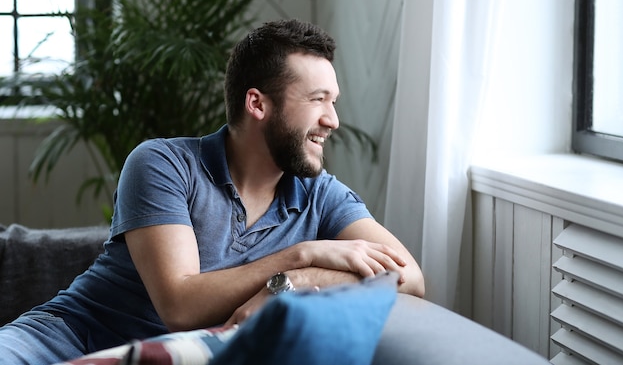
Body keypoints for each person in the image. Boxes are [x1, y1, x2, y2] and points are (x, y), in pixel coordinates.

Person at [0, 19, 424, 364]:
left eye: (334, 102)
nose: (333, 120)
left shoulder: (321, 196)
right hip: (61, 341)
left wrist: (294, 281)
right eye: (318, 100)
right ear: (257, 104)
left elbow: (409, 277)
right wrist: (304, 253)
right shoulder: (163, 163)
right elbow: (180, 307)